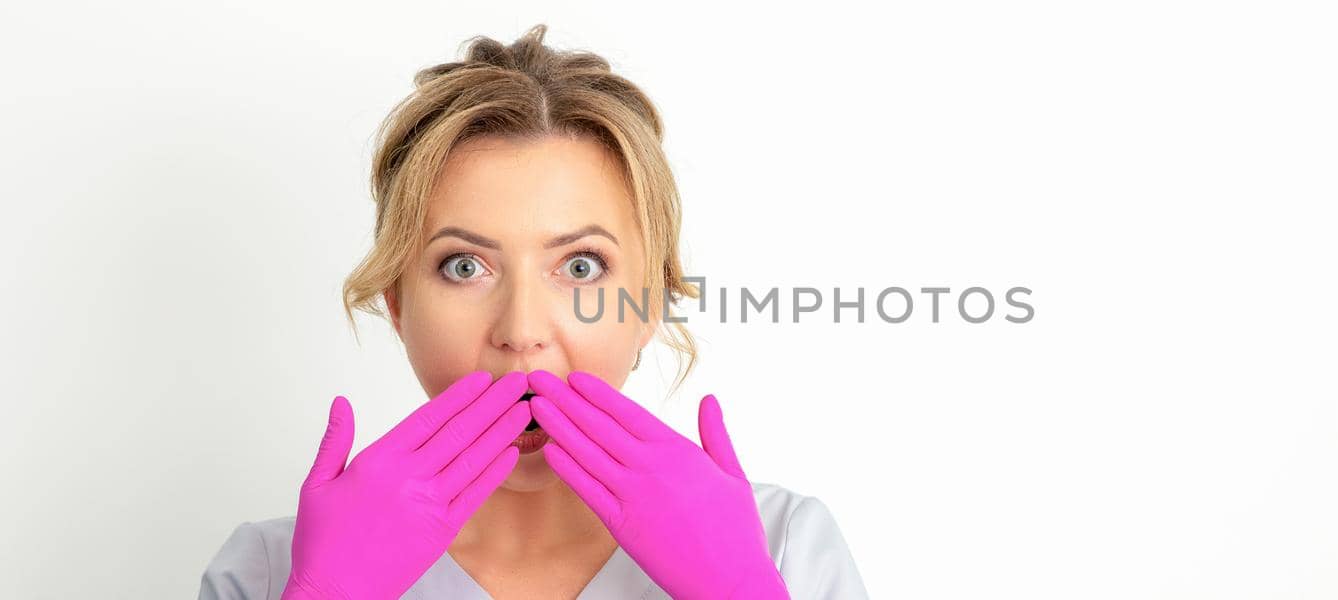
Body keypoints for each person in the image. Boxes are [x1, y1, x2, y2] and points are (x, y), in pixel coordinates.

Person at [198, 24, 868, 600]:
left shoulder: (787, 550)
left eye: (580, 267)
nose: (521, 335)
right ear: (398, 306)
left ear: (651, 304)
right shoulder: (266, 573)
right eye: (464, 266)